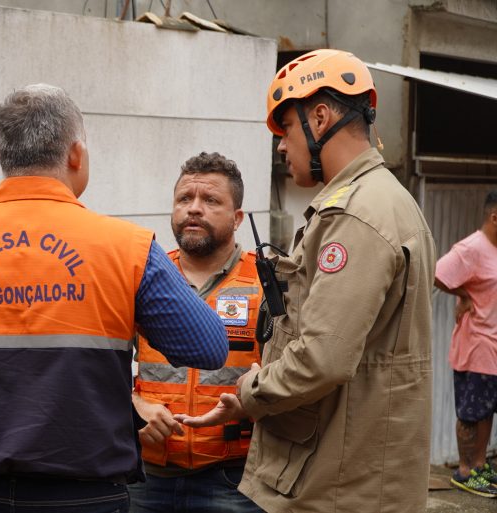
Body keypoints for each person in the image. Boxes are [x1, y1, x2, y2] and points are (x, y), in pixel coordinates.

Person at [0, 84, 230, 513]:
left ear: (4, 157)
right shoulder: (127, 248)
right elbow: (208, 346)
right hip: (88, 496)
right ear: (76, 154)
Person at [176, 49, 436, 512]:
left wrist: (249, 393)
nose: (280, 146)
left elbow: (323, 357)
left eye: (287, 129)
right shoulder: (376, 201)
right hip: (347, 476)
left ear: (320, 118)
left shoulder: (357, 215)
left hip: (338, 487)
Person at [128, 152, 263, 513]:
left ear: (237, 219)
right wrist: (134, 405)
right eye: (185, 199)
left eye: (210, 200)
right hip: (146, 476)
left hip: (236, 480)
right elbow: (98, 364)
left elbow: (294, 374)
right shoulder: (145, 278)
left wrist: (254, 398)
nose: (194, 209)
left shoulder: (267, 284)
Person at [435, 191, 497, 498]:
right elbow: (438, 274)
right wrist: (463, 295)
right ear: (493, 217)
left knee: (487, 411)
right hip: (476, 346)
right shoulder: (472, 248)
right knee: (471, 412)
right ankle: (464, 471)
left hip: (493, 347)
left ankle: (480, 465)